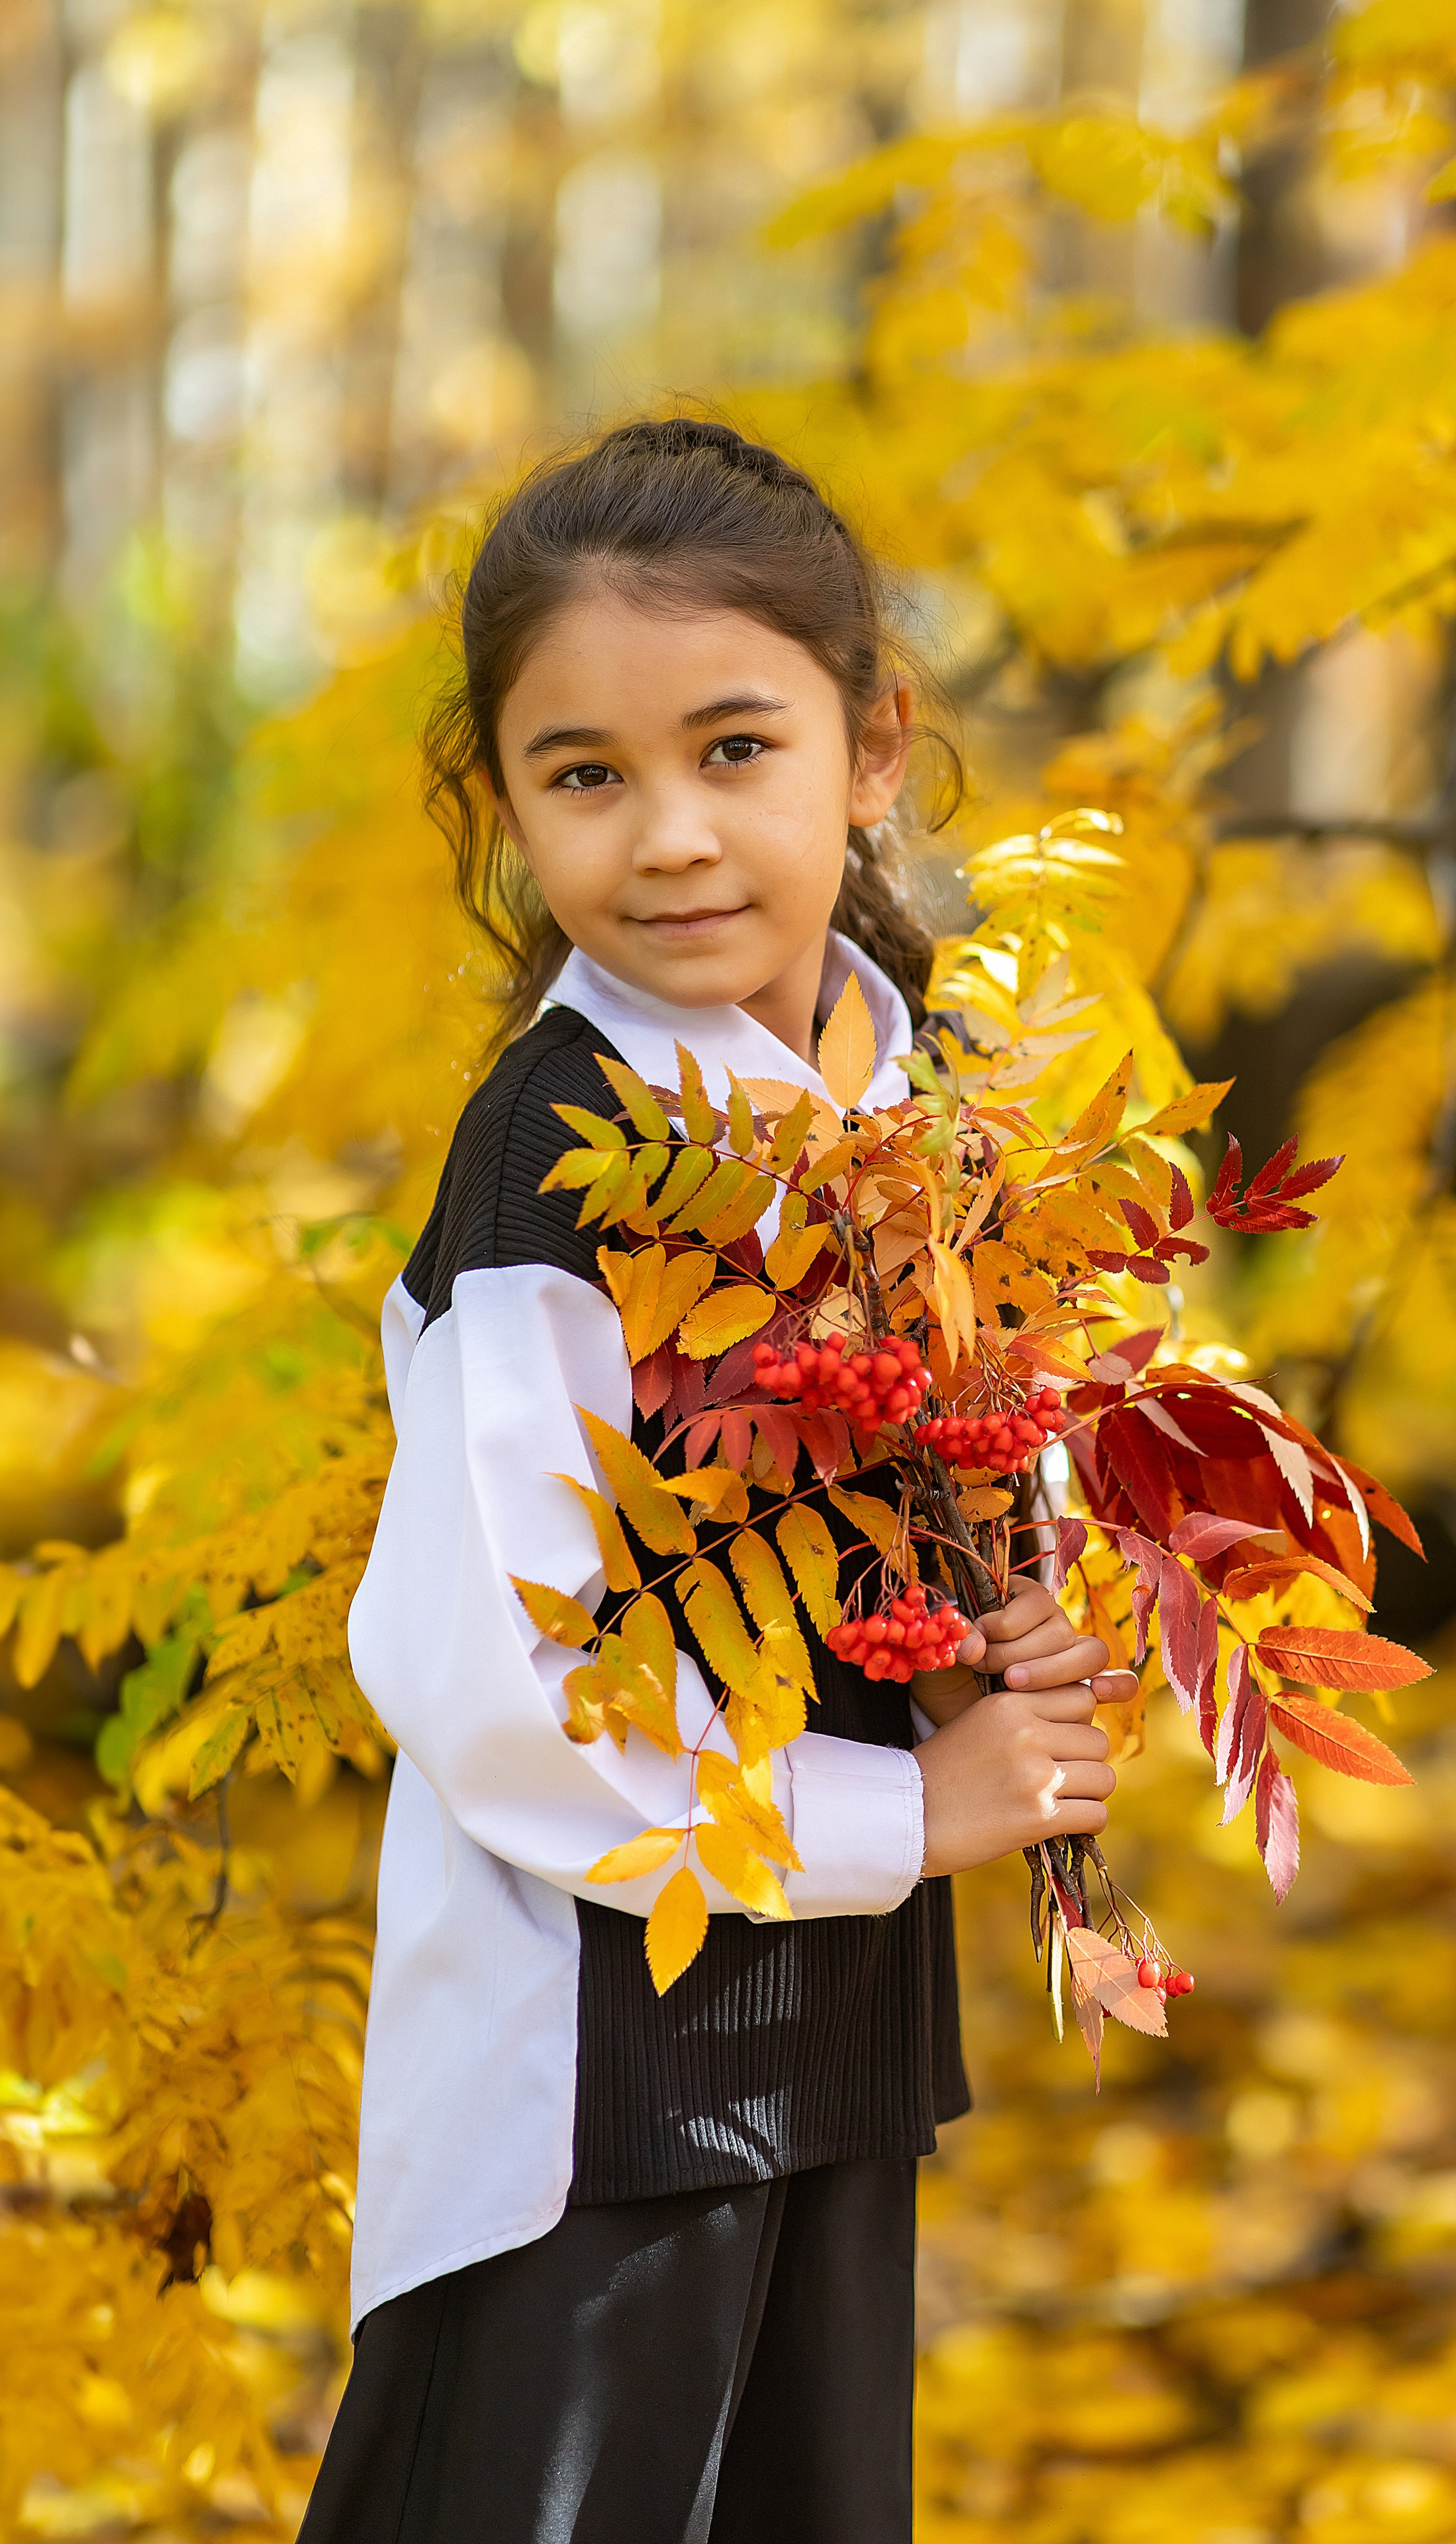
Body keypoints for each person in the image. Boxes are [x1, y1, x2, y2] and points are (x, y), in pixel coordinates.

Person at [298, 416, 1116, 2544]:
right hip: (595, 2076)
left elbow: (942, 1446)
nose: (668, 835)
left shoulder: (913, 1071)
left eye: (734, 748)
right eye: (585, 775)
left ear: (871, 749)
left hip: (828, 2015)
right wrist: (914, 1808)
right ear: (509, 807)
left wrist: (1001, 1631)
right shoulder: (552, 1159)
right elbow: (509, 1677)